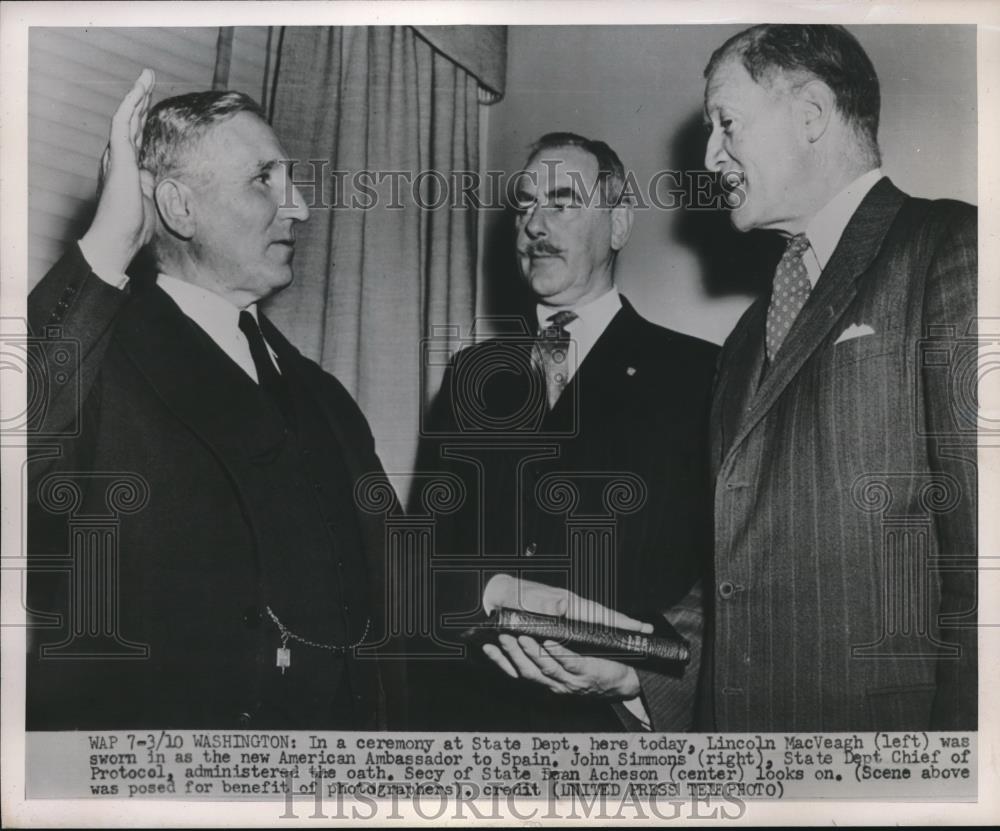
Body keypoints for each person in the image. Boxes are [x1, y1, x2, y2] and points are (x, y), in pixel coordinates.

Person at [26, 71, 401, 730]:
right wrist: (109, 240)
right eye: (264, 180)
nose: (301, 208)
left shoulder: (323, 395)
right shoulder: (94, 363)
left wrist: (494, 593)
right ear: (179, 206)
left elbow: (395, 570)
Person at [699, 24, 977, 730]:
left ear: (812, 114)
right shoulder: (740, 341)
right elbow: (739, 577)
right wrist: (635, 660)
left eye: (726, 124)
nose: (710, 156)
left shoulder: (954, 249)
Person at [415, 133, 718, 731]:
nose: (534, 224)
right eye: (525, 205)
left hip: (614, 725)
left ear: (618, 225)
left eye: (561, 201)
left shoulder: (700, 374)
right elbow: (423, 555)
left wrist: (645, 678)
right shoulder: (471, 376)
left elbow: (718, 575)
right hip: (475, 716)